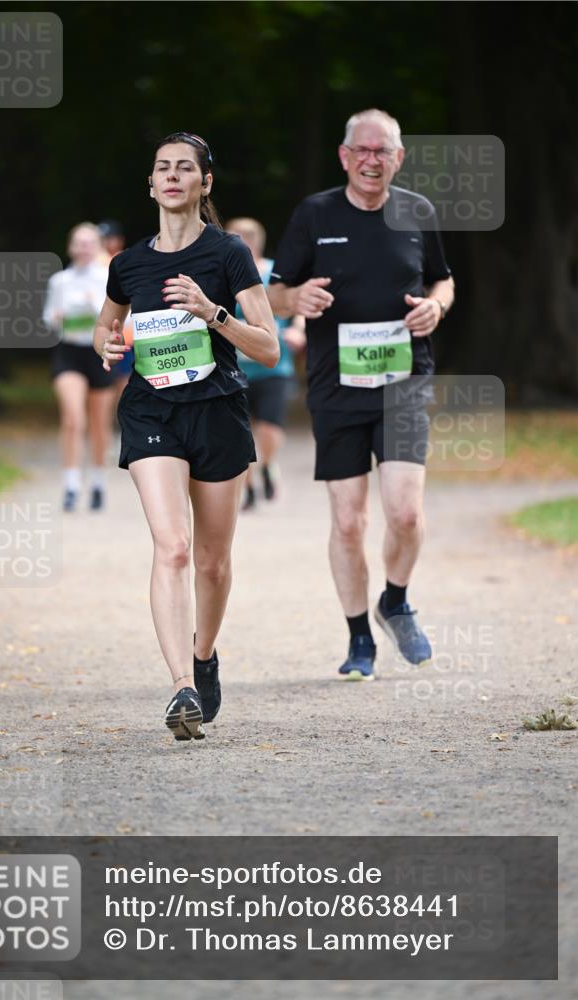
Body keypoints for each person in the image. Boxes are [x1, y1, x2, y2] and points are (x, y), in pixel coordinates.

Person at [93, 132, 278, 740]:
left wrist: (210, 312)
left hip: (218, 410)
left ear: (205, 183)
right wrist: (107, 345)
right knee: (171, 546)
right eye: (161, 168)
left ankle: (204, 652)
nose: (172, 176)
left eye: (184, 169)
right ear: (151, 184)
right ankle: (181, 687)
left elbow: (269, 348)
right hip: (151, 411)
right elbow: (106, 328)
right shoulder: (128, 264)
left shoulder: (229, 255)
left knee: (213, 561)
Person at [268, 108, 455, 681]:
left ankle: (395, 599)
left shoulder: (417, 212)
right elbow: (272, 292)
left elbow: (442, 278)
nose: (373, 160)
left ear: (398, 158)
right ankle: (359, 641)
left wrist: (436, 306)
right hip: (336, 384)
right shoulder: (315, 213)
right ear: (345, 156)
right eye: (363, 151)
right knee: (349, 522)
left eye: (384, 151)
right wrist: (295, 300)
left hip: (403, 381)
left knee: (404, 512)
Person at [225, 217, 306, 510]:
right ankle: (247, 489)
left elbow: (299, 304)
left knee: (270, 429)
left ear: (254, 243)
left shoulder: (274, 273)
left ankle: (267, 465)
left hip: (275, 366)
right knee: (240, 432)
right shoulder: (223, 274)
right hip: (235, 367)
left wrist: (298, 328)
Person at [43, 222, 115, 512]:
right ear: (71, 247)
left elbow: (123, 315)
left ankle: (98, 479)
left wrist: (93, 306)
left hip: (99, 352)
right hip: (69, 352)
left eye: (89, 243)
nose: (83, 248)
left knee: (99, 424)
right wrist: (58, 316)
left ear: (98, 246)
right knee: (73, 418)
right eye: (78, 243)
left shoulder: (108, 277)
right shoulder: (60, 281)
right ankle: (71, 483)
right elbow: (48, 317)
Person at [98, 219, 134, 401]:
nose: (104, 243)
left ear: (119, 240)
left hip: (127, 332)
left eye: (108, 239)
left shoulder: (123, 261)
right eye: (101, 239)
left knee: (123, 379)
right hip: (105, 332)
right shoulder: (96, 264)